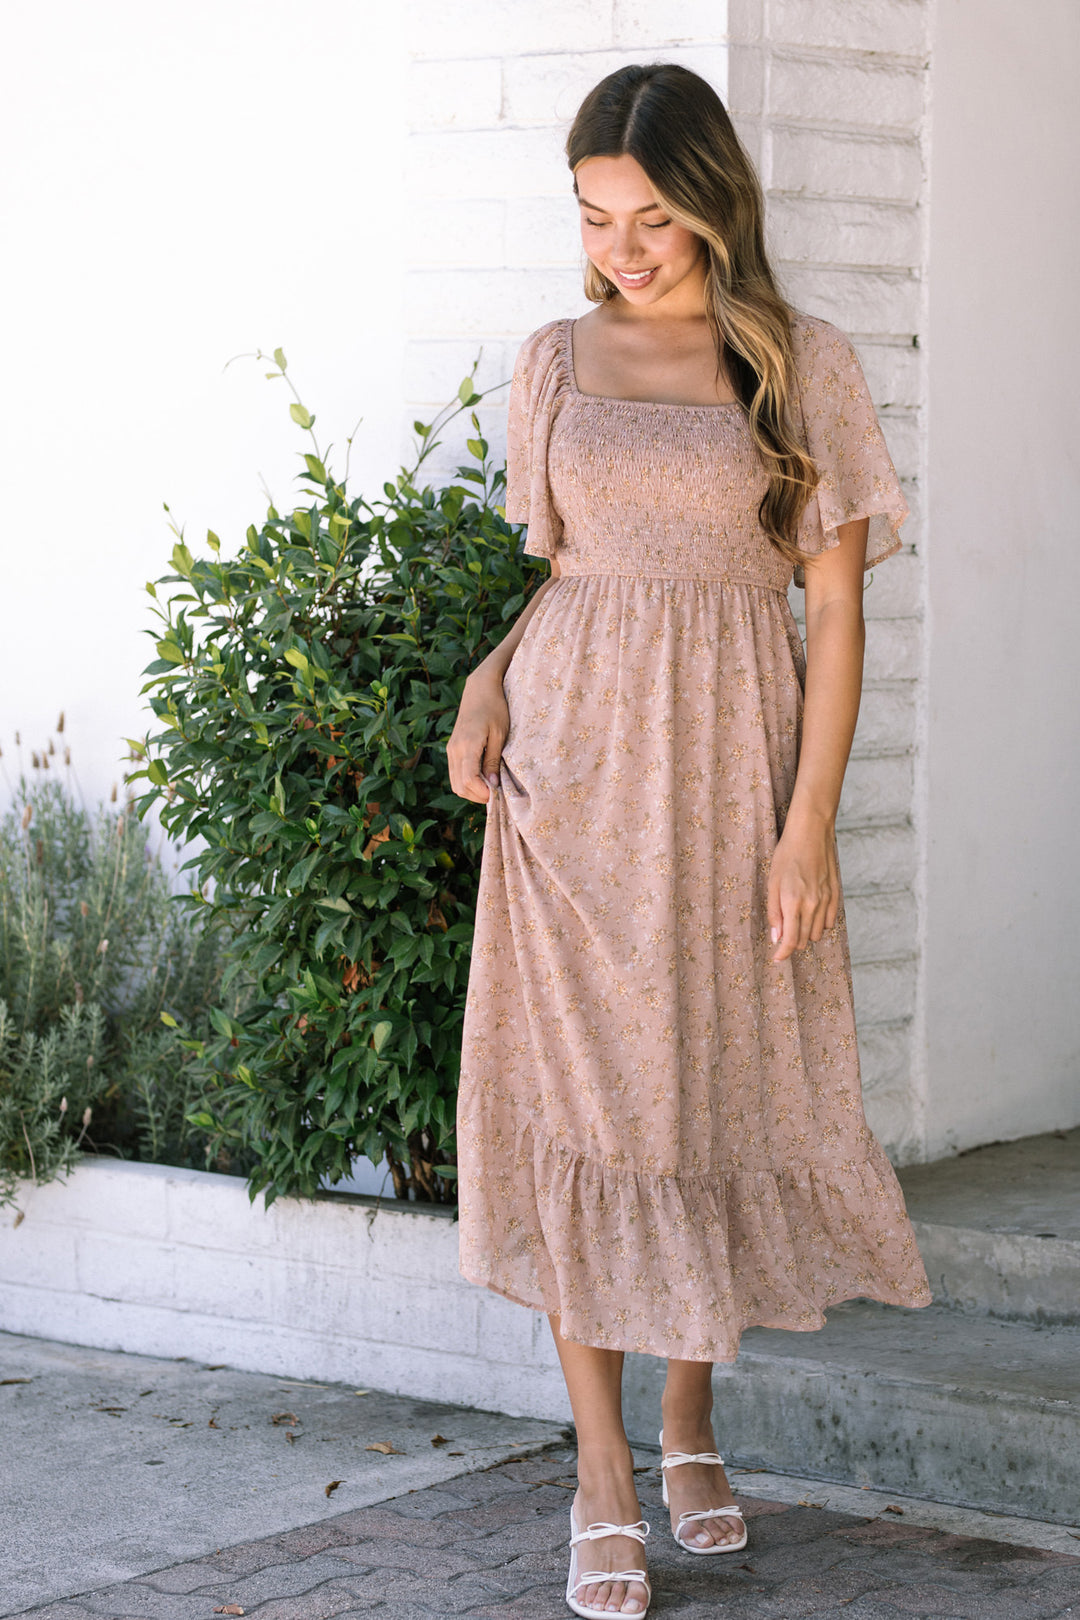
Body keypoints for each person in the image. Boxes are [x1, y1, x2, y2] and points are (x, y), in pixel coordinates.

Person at [446, 62, 931, 1620]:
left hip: (729, 774)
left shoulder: (801, 363)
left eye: (651, 216)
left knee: (706, 1084)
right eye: (594, 217)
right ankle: (602, 1471)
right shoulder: (553, 361)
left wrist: (807, 828)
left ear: (715, 203)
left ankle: (690, 1417)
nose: (622, 249)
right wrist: (488, 676)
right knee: (582, 1103)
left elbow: (835, 611)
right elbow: (573, 576)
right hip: (569, 784)